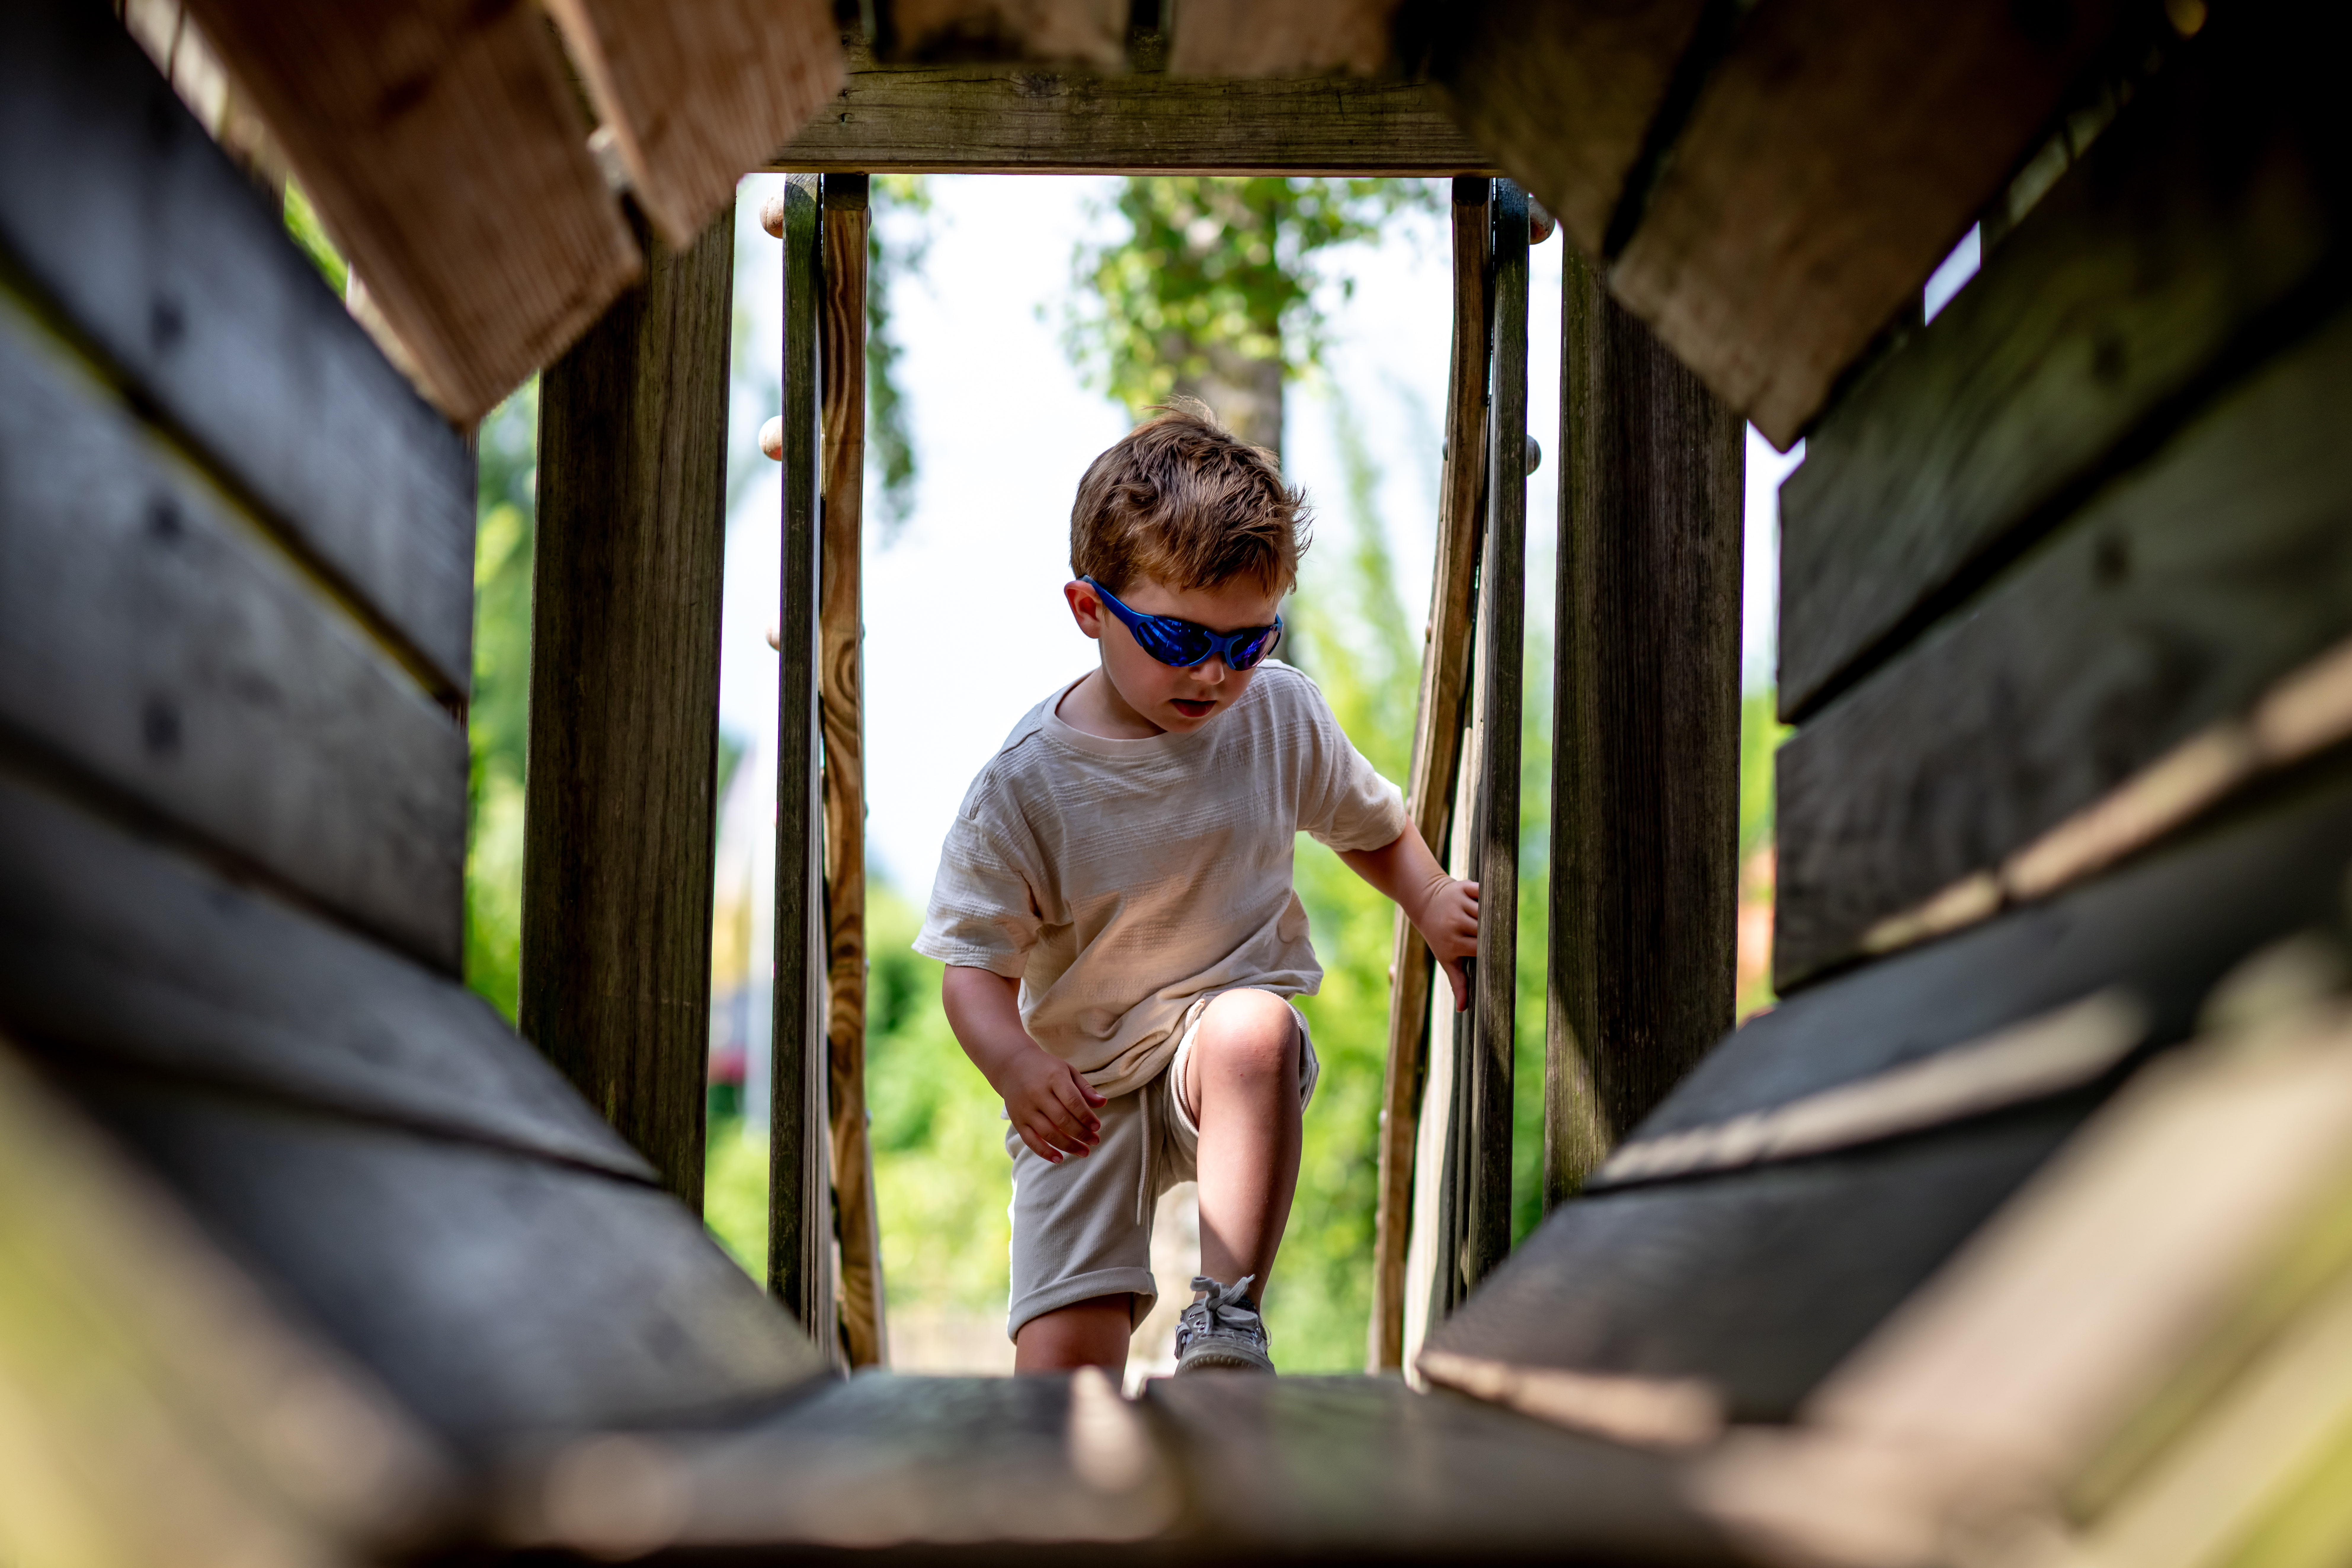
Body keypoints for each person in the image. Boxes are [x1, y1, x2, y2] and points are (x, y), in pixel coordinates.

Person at [915, 405, 1479, 1377]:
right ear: (1090, 611)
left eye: (1249, 642)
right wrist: (1015, 1068)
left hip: (1216, 1046)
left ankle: (1223, 1319)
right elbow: (973, 969)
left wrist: (1427, 901)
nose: (1216, 673)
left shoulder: (1278, 714)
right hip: (1079, 1088)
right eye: (1179, 640)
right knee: (1061, 1373)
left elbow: (1370, 823)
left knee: (1253, 1032)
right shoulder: (1025, 786)